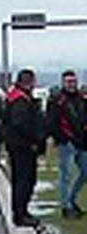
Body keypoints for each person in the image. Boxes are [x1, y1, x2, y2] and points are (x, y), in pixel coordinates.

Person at [44, 70, 87, 218]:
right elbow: (51, 123)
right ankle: (66, 207)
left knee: (85, 173)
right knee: (66, 175)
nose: (71, 84)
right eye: (69, 82)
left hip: (82, 142)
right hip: (66, 143)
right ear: (63, 83)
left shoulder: (81, 99)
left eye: (73, 81)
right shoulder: (57, 101)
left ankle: (71, 199)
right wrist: (62, 138)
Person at [5, 69, 44, 227]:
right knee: (25, 180)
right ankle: (20, 214)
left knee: (22, 180)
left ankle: (21, 211)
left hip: (18, 145)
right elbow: (21, 124)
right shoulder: (20, 101)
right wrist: (34, 139)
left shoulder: (17, 98)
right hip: (22, 146)